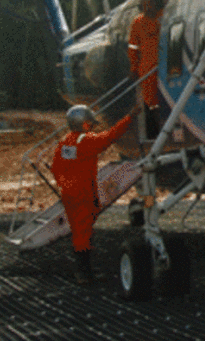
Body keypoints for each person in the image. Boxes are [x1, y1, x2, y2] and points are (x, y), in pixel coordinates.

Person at [52, 104, 140, 284]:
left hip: (70, 195)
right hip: (83, 195)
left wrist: (66, 186)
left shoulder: (65, 142)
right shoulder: (86, 141)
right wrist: (129, 117)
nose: (92, 126)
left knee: (80, 232)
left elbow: (56, 169)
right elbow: (110, 136)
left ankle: (83, 271)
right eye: (90, 123)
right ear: (84, 124)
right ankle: (83, 274)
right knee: (83, 235)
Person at [129, 0, 163, 139]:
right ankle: (159, 130)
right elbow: (133, 48)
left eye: (151, 4)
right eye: (146, 5)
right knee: (151, 103)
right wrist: (134, 68)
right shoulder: (138, 22)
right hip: (147, 69)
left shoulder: (162, 17)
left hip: (164, 66)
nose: (148, 7)